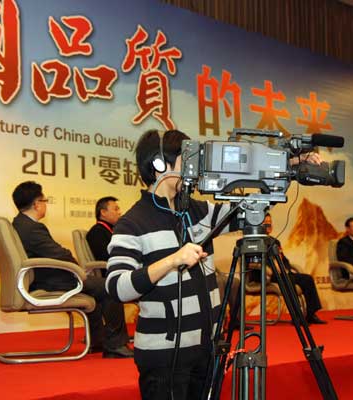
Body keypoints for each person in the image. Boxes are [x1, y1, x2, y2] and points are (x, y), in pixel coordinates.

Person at [105, 129, 322, 399]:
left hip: (207, 351)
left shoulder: (197, 211)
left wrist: (289, 166)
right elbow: (117, 287)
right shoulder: (132, 223)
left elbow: (251, 211)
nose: (196, 166)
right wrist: (171, 261)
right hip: (163, 358)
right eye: (188, 157)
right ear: (160, 164)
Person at [11, 181, 132, 358]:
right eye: (44, 201)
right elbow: (59, 254)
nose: (45, 205)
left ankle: (98, 341)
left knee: (97, 288)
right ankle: (115, 345)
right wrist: (77, 268)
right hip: (52, 281)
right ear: (37, 204)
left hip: (45, 278)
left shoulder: (19, 224)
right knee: (110, 287)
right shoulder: (32, 228)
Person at [247, 214, 325, 325]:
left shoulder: (275, 242)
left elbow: (284, 260)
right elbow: (252, 262)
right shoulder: (253, 241)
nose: (269, 225)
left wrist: (287, 269)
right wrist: (272, 268)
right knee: (288, 280)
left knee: (307, 279)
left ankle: (311, 314)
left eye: (270, 223)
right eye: (266, 223)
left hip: (281, 273)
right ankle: (296, 316)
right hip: (263, 275)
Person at [86, 196, 121, 265]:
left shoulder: (109, 230)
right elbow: (106, 258)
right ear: (103, 212)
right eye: (116, 209)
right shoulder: (97, 232)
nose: (119, 212)